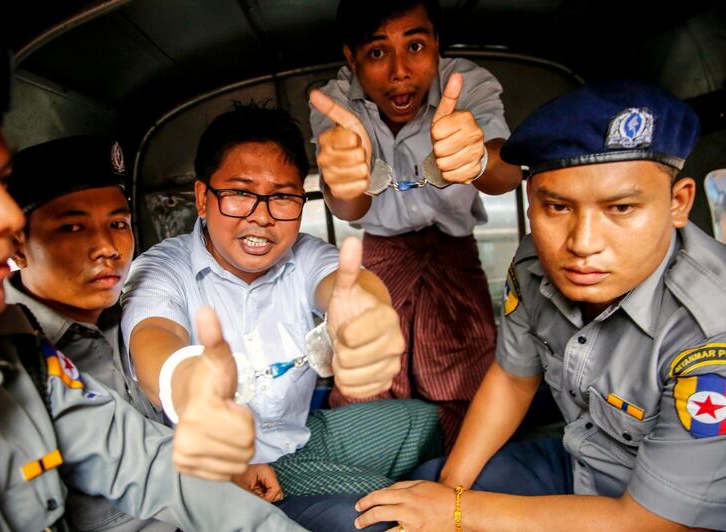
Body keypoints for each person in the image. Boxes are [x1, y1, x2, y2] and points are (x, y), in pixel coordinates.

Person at [0, 25, 304, 532]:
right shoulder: (34, 347)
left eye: (120, 223)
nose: (2, 216)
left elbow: (149, 467)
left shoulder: (18, 364)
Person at [354, 81, 726, 531]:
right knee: (416, 496)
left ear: (678, 203)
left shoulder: (711, 329)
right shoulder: (534, 265)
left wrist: (456, 511)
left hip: (661, 511)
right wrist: (450, 492)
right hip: (578, 462)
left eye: (622, 208)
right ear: (530, 202)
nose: (583, 244)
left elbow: (651, 521)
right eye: (557, 207)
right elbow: (513, 379)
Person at [121, 103, 442, 531]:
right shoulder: (163, 269)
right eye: (240, 193)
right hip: (220, 471)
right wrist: (191, 388)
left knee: (421, 422)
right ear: (202, 197)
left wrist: (366, 316)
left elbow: (347, 284)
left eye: (283, 197)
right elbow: (154, 335)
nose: (263, 216)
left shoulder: (303, 254)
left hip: (299, 435)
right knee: (387, 511)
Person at [309, 0, 522, 446]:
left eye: (416, 45)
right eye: (377, 52)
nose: (400, 71)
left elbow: (505, 175)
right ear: (351, 58)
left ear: (437, 44)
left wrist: (479, 156)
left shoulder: (468, 83)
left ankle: (461, 479)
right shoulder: (333, 103)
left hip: (454, 256)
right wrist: (344, 179)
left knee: (470, 379)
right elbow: (350, 210)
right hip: (379, 258)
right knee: (367, 377)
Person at [5, 136, 172, 531]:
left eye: (118, 224)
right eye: (73, 226)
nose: (107, 248)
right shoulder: (2, 360)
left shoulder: (139, 316)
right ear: (18, 245)